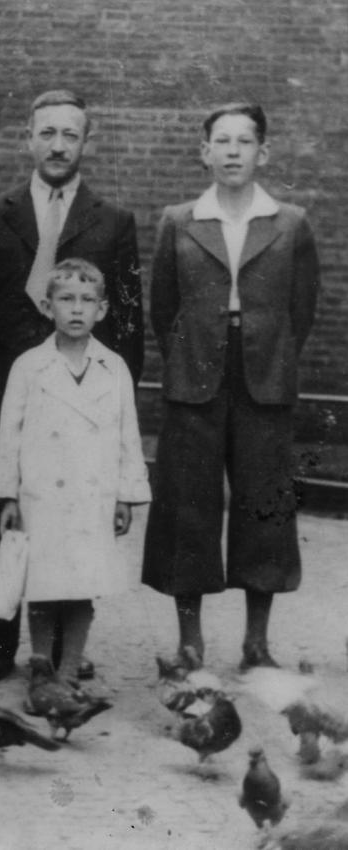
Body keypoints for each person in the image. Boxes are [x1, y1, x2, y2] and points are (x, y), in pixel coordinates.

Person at [0, 89, 144, 683]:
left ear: (86, 142)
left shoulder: (113, 221)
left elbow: (126, 318)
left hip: (81, 394)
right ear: (29, 138)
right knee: (10, 518)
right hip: (7, 388)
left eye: (71, 134)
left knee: (72, 525)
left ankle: (67, 650)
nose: (59, 145)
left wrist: (110, 404)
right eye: (48, 133)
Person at [142, 103, 320, 672]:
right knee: (187, 506)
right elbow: (162, 306)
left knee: (263, 507)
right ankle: (190, 641)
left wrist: (270, 356)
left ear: (263, 152)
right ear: (205, 151)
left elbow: (303, 307)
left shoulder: (290, 221)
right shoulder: (179, 219)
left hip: (264, 381)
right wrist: (190, 358)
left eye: (246, 141)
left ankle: (256, 642)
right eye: (223, 141)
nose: (234, 151)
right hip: (194, 379)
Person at [0, 258, 150, 689]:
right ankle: (41, 666)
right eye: (66, 300)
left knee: (82, 585)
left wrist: (125, 496)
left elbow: (128, 436)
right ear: (47, 306)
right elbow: (9, 435)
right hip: (42, 496)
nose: (76, 310)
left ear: (103, 308)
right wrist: (8, 495)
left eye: (87, 300)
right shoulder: (28, 366)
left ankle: (71, 668)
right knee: (44, 584)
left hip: (91, 497)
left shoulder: (113, 368)